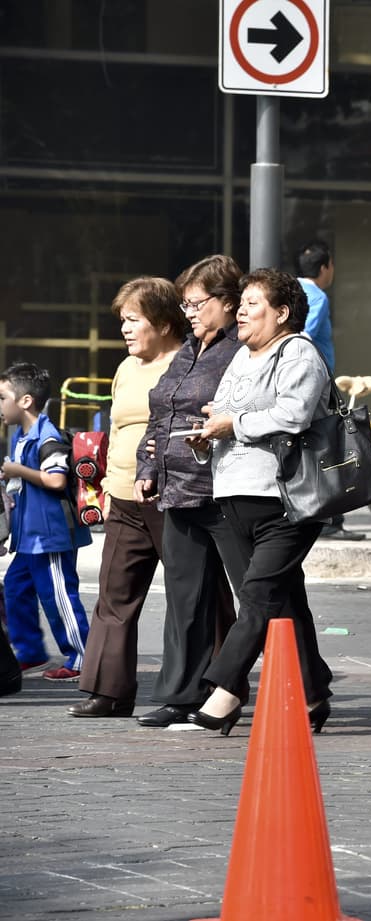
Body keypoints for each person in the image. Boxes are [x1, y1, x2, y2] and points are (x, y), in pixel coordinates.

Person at [185, 268, 335, 735]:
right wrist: (208, 436)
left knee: (256, 597)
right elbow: (227, 413)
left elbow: (293, 415)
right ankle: (313, 694)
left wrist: (233, 424)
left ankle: (225, 691)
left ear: (282, 313)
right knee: (283, 600)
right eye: (242, 302)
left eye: (253, 303)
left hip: (286, 500)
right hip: (233, 495)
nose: (242, 311)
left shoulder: (299, 354)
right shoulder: (241, 358)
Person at [132, 255, 242, 728]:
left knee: (261, 594)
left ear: (229, 302)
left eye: (198, 302)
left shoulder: (241, 349)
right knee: (185, 597)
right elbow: (161, 412)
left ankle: (305, 685)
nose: (190, 312)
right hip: (179, 488)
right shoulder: (190, 348)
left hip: (227, 489)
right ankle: (182, 694)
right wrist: (147, 464)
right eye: (186, 303)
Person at [69, 278, 185, 717]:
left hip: (169, 496)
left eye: (133, 319)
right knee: (114, 594)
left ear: (162, 321)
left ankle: (207, 684)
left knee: (191, 595)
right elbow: (119, 427)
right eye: (123, 320)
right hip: (122, 496)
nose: (125, 329)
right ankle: (110, 690)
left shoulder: (185, 364)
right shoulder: (126, 368)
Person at [0, 362, 92, 681]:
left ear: (25, 401)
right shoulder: (21, 436)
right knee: (14, 587)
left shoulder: (46, 435)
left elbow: (55, 480)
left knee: (59, 596)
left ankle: (83, 657)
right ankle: (30, 653)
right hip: (29, 537)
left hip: (49, 535)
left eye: (2, 397)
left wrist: (17, 471)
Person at [296, 239, 363, 542]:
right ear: (324, 268)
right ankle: (332, 520)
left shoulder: (290, 289)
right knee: (333, 446)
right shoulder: (317, 296)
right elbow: (304, 336)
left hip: (302, 382)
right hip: (318, 382)